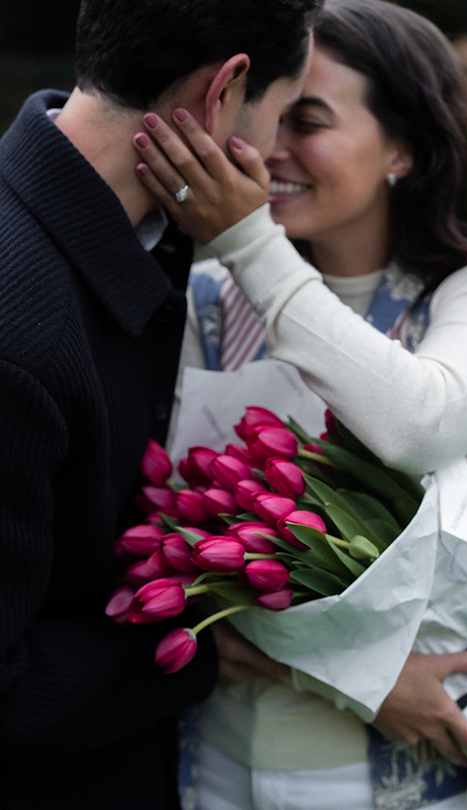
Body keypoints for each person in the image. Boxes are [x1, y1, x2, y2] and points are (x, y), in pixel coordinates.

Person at [133, 1, 467, 809]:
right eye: (269, 114)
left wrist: (248, 240)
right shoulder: (208, 305)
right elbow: (173, 547)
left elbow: (418, 426)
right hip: (216, 762)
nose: (270, 147)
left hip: (396, 777)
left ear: (403, 148)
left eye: (308, 121)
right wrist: (365, 681)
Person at [0, 0, 321, 807]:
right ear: (225, 91)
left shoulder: (144, 238)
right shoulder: (21, 340)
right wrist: (197, 651)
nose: (279, 150)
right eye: (283, 112)